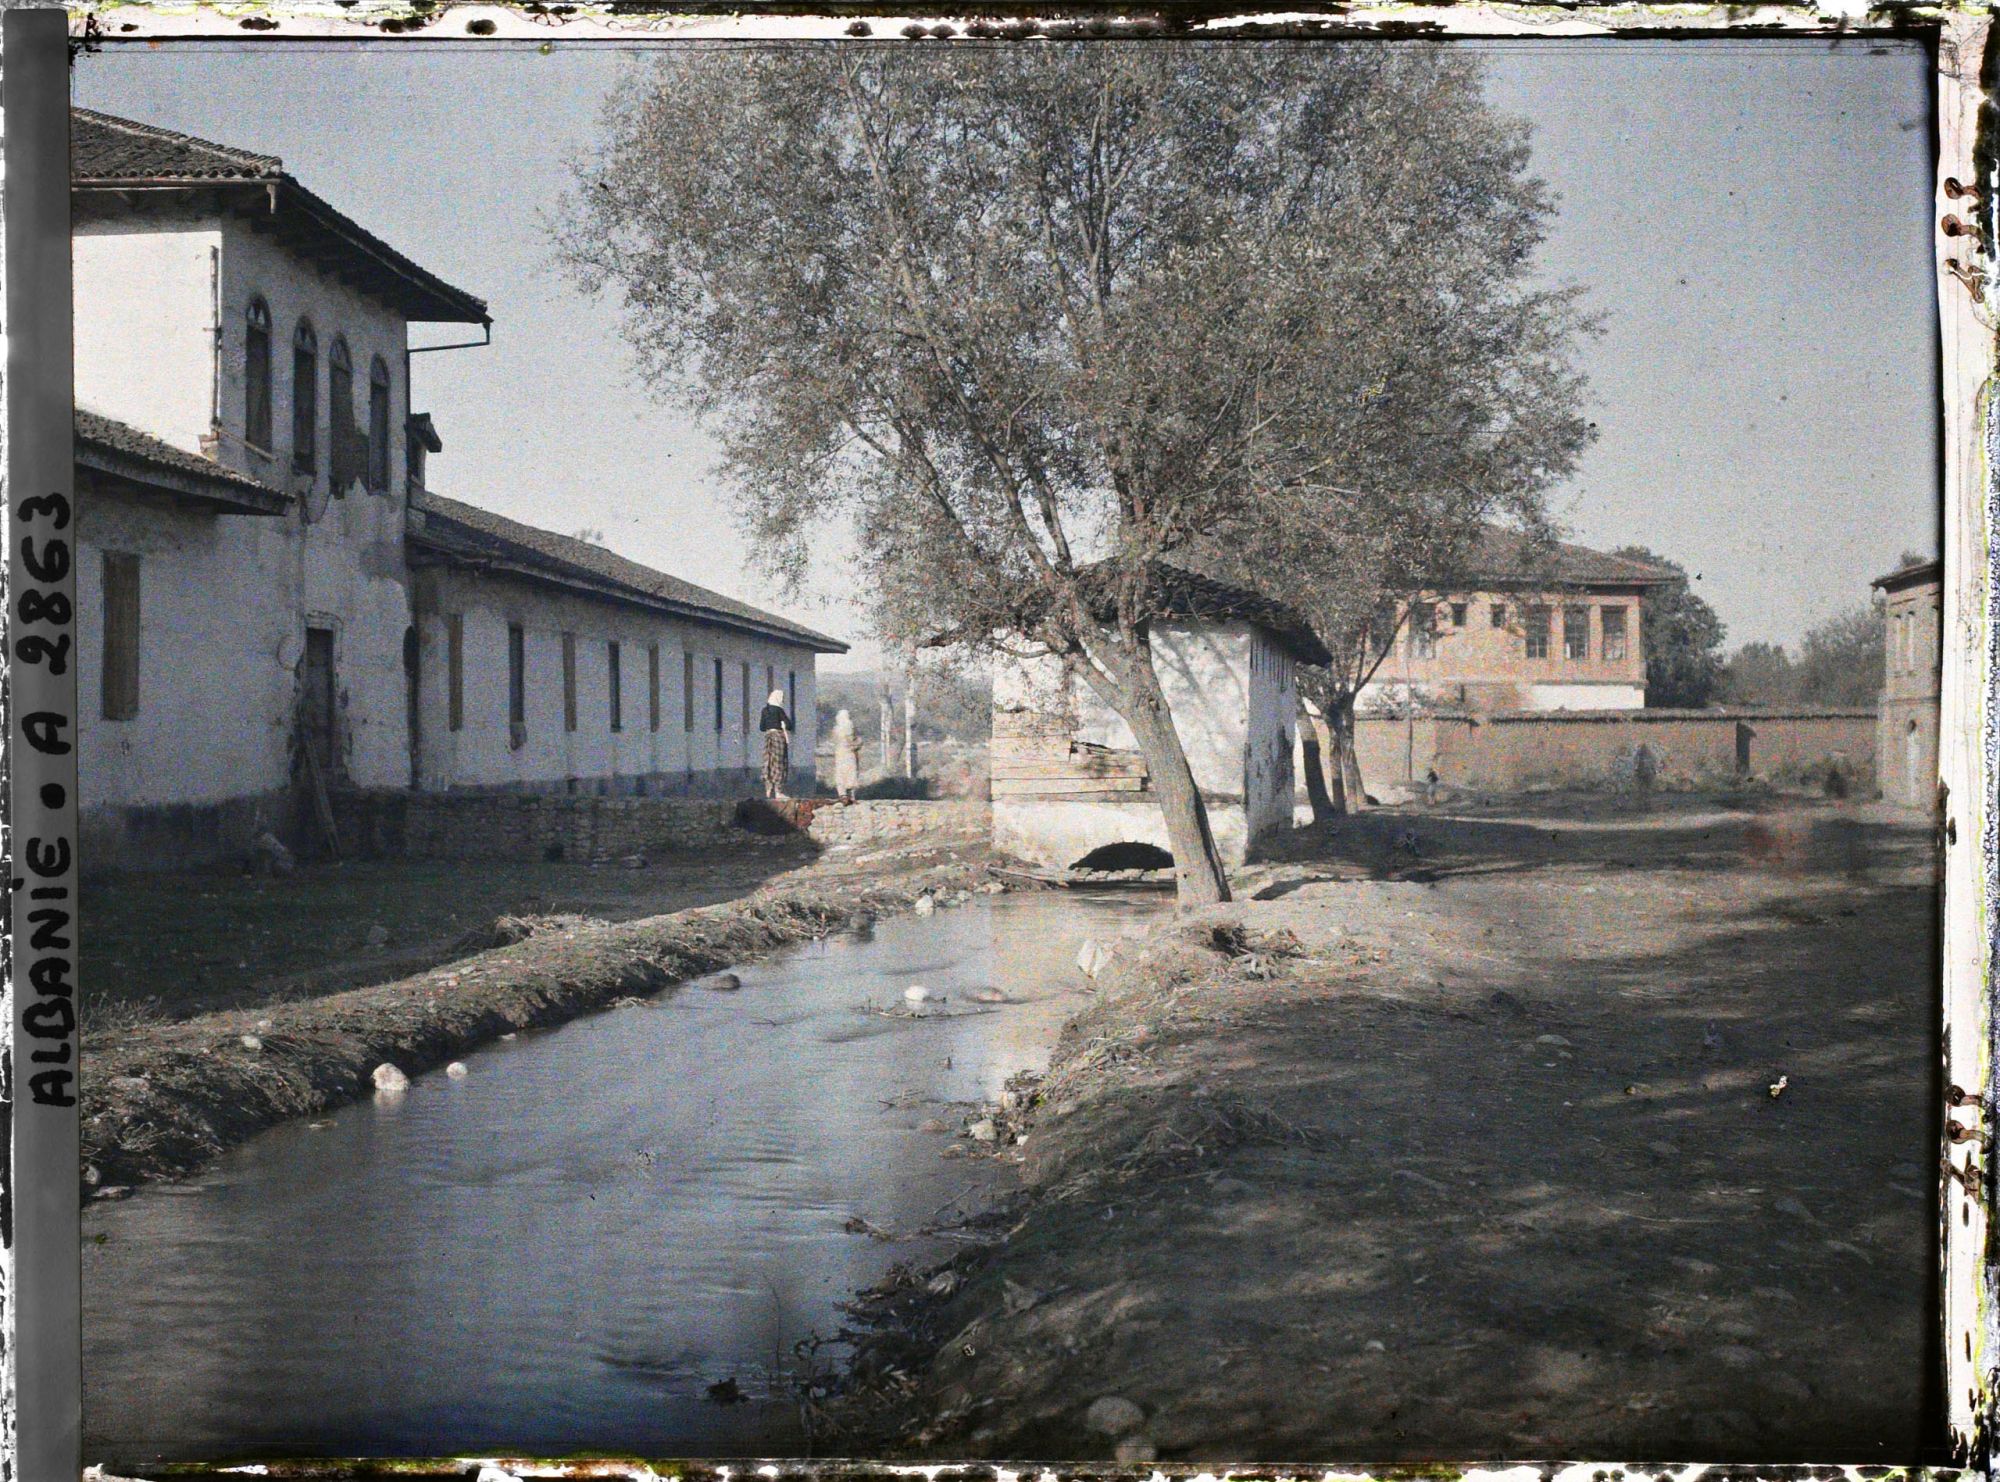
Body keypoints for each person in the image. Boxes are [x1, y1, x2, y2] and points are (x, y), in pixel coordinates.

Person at [758, 689, 791, 799]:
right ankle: (778, 791)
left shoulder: (764, 710)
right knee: (779, 762)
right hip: (778, 738)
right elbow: (789, 725)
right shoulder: (779, 710)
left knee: (768, 761)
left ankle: (768, 790)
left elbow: (762, 727)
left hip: (768, 737)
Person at [832, 708, 862, 802]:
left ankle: (842, 795)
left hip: (839, 754)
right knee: (850, 773)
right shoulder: (849, 726)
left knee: (841, 773)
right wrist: (859, 743)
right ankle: (852, 796)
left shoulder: (836, 729)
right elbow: (851, 741)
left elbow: (834, 740)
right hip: (849, 754)